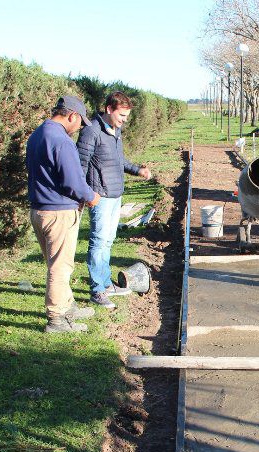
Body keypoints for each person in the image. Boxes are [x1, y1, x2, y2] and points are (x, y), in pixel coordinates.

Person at [26, 95, 101, 333]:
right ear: (72, 116)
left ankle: (67, 306)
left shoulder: (37, 134)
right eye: (80, 123)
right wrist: (91, 196)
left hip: (39, 209)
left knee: (56, 263)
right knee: (60, 267)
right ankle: (56, 319)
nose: (79, 129)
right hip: (59, 213)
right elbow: (73, 182)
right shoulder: (61, 140)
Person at [77, 91, 151, 309]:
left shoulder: (114, 131)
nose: (124, 121)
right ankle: (97, 291)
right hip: (100, 196)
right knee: (98, 242)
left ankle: (105, 283)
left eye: (127, 117)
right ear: (109, 109)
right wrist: (85, 194)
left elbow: (119, 161)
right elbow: (80, 164)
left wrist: (137, 170)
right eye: (121, 116)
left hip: (115, 195)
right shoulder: (91, 131)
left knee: (107, 241)